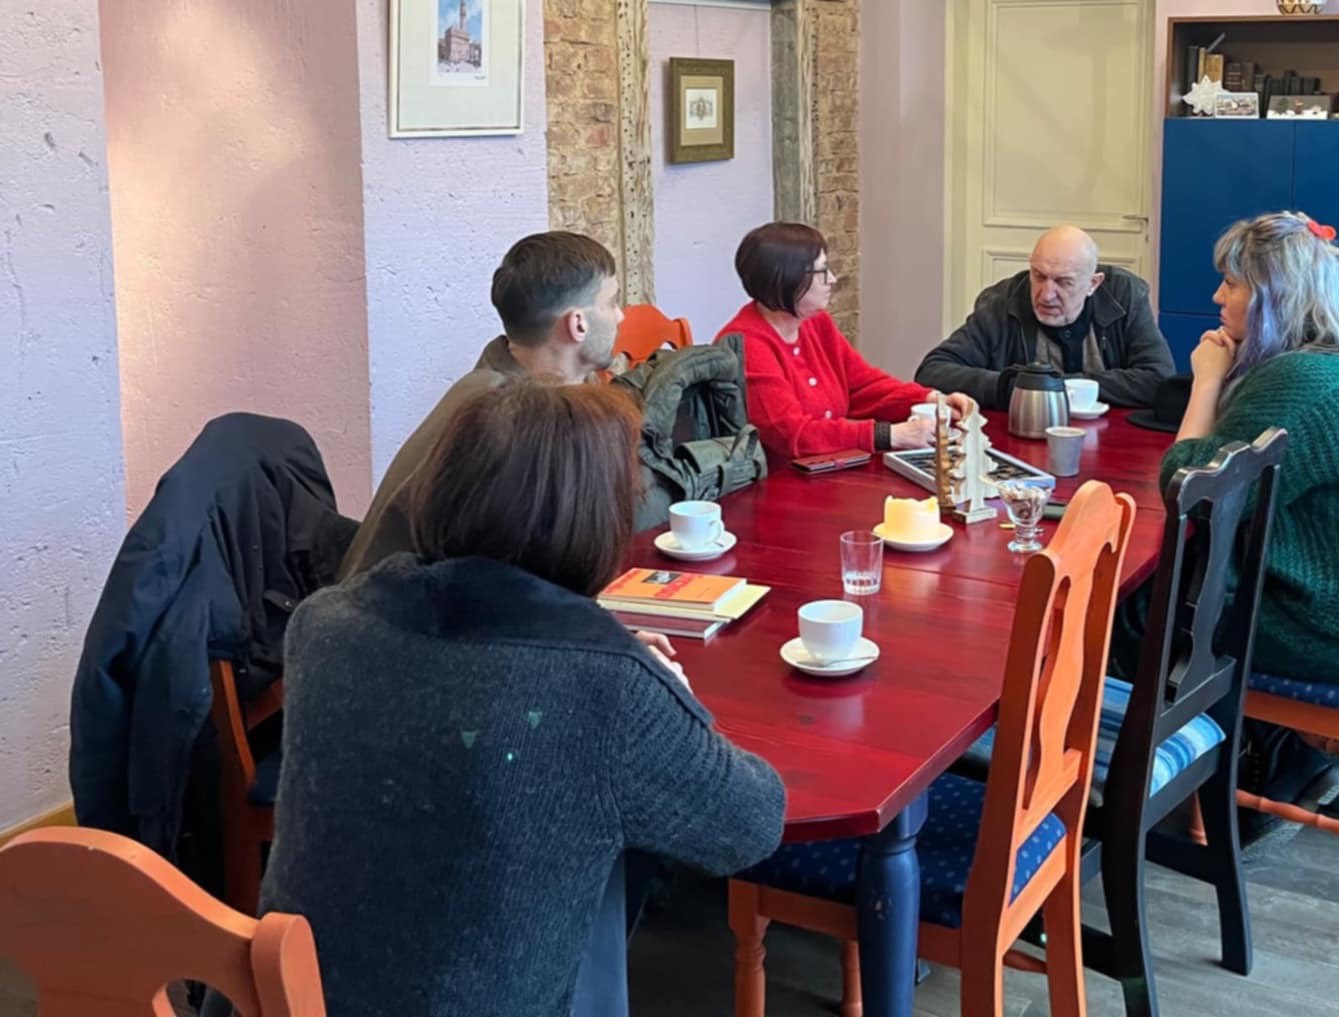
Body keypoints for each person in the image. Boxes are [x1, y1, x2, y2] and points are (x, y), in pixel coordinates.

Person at [258, 380, 787, 1017]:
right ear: (594, 521)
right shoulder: (606, 688)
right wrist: (658, 685)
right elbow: (752, 825)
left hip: (293, 996)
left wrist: (584, 639)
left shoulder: (324, 624)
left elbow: (466, 681)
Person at [1126, 211, 1339, 847]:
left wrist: (1208, 380)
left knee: (1129, 613)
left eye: (1232, 285)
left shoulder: (1299, 381)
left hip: (1332, 628)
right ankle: (1265, 749)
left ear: (1274, 298)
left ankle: (1145, 788)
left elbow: (1190, 488)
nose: (1217, 297)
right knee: (1170, 589)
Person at [340, 230, 626, 579]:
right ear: (577, 323)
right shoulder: (502, 422)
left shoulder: (523, 389)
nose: (621, 316)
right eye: (611, 303)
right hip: (399, 620)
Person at [722, 221, 974, 459]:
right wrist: (890, 435)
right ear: (787, 278)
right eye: (822, 271)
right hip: (779, 485)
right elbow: (793, 435)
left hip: (830, 470)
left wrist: (929, 399)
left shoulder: (815, 321)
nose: (832, 279)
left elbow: (862, 385)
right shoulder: (747, 344)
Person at [915, 226, 1174, 409]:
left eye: (1064, 282)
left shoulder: (1124, 296)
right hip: (1021, 441)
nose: (1047, 294)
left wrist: (1060, 387)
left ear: (1093, 284)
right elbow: (932, 371)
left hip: (1112, 443)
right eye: (1039, 276)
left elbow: (1158, 379)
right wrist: (1011, 387)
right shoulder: (1003, 302)